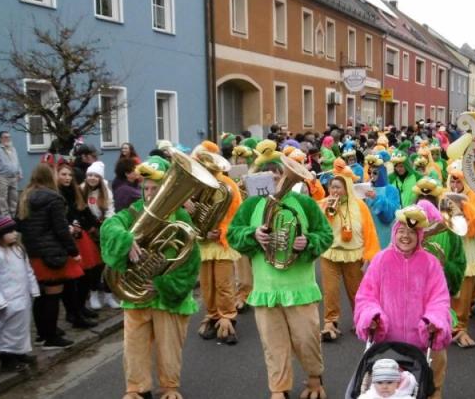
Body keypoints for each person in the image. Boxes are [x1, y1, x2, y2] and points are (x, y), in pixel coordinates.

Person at [228, 158, 333, 399]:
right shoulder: (251, 204)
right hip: (266, 288)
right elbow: (233, 235)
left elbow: (325, 235)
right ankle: (279, 388)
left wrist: (308, 242)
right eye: (268, 178)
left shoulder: (304, 203)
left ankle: (315, 380)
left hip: (300, 288)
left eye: (277, 177)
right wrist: (252, 234)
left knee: (307, 340)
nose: (273, 182)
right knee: (273, 345)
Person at [101, 155, 200, 399]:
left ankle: (169, 386)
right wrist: (125, 239)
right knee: (134, 346)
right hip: (136, 296)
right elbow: (109, 227)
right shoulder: (133, 212)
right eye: (145, 188)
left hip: (166, 295)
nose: (148, 193)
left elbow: (190, 264)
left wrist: (161, 283)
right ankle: (137, 388)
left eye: (155, 188)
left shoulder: (182, 218)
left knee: (169, 347)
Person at [354, 206, 452, 399]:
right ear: (394, 233)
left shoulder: (431, 263)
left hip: (424, 343)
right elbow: (366, 296)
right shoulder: (380, 260)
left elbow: (439, 299)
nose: (406, 236)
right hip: (387, 346)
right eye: (401, 231)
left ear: (419, 235)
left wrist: (434, 320)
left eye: (411, 232)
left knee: (430, 388)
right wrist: (372, 315)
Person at [17, 163, 82, 349]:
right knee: (53, 294)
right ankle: (50, 337)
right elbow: (61, 229)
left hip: (34, 252)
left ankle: (41, 333)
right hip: (52, 252)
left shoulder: (25, 196)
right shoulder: (54, 198)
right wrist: (73, 251)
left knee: (41, 295)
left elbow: (20, 224)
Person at [191, 141, 243, 345]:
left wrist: (220, 232)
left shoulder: (228, 185)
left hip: (221, 243)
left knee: (223, 283)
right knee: (206, 285)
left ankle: (227, 317)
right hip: (203, 243)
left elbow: (236, 216)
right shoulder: (194, 184)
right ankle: (212, 315)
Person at [318, 173, 380, 342]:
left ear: (347, 189)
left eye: (338, 187)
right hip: (329, 254)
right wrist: (326, 209)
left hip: (354, 254)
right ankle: (330, 323)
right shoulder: (323, 204)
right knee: (330, 291)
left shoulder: (360, 206)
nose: (334, 190)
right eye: (332, 187)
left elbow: (369, 231)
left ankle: (360, 320)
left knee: (357, 291)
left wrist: (370, 255)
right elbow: (317, 227)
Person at [0, 215, 39, 373]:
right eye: (9, 231)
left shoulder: (18, 249)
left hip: (22, 296)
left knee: (22, 327)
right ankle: (7, 358)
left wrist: (33, 289)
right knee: (6, 329)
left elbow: (28, 270)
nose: (14, 234)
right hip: (6, 300)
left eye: (14, 230)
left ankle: (20, 352)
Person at [446, 165, 475, 349]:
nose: (456, 184)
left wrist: (464, 206)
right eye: (453, 180)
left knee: (464, 293)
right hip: (449, 250)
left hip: (467, 249)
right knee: (448, 292)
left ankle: (461, 329)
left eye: (459, 180)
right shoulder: (443, 197)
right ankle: (447, 328)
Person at [55, 163, 99, 327]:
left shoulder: (75, 191)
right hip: (68, 237)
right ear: (57, 175)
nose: (67, 178)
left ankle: (80, 307)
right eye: (63, 174)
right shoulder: (56, 193)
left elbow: (84, 210)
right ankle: (73, 313)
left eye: (69, 175)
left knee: (87, 274)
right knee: (73, 279)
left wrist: (93, 223)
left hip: (81, 236)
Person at [82, 162, 116, 310]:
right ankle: (94, 293)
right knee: (94, 266)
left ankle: (109, 295)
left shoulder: (106, 191)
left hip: (104, 230)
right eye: (90, 175)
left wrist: (107, 226)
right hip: (89, 232)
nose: (92, 178)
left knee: (108, 263)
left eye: (96, 176)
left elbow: (110, 210)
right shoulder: (81, 190)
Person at [362, 154, 399, 249]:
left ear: (382, 173)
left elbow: (390, 216)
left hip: (385, 233)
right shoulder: (366, 188)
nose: (371, 175)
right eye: (369, 172)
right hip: (369, 233)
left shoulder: (391, 189)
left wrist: (377, 198)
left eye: (375, 173)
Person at [0, 131, 23, 216]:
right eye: (5, 137)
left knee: (14, 197)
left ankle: (13, 214)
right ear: (0, 139)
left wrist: (19, 172)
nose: (8, 139)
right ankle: (6, 216)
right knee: (3, 197)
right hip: (2, 177)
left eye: (9, 137)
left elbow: (17, 162)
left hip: (14, 177)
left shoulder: (13, 149)